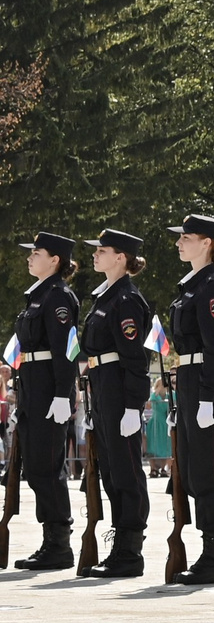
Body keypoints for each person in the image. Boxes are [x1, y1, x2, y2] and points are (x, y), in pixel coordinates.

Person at [74, 229, 157, 577]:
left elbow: (135, 358)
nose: (95, 255)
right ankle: (120, 543)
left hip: (120, 391)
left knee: (125, 470)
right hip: (103, 388)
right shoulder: (105, 296)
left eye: (102, 250)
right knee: (110, 469)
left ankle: (130, 549)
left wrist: (133, 405)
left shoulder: (126, 300)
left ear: (121, 257)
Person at [166, 214, 214, 584]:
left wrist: (208, 397)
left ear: (208, 243)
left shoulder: (213, 287)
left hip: (207, 382)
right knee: (193, 471)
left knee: (208, 470)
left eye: (187, 237)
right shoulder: (192, 286)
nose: (179, 243)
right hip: (191, 381)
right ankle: (209, 550)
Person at [10, 231, 81, 571]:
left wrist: (62, 393)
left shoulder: (58, 297)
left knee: (49, 468)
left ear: (54, 260)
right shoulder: (38, 296)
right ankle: (50, 539)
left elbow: (65, 350)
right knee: (37, 467)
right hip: (33, 388)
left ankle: (59, 544)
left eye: (36, 253)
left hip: (48, 390)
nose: (30, 257)